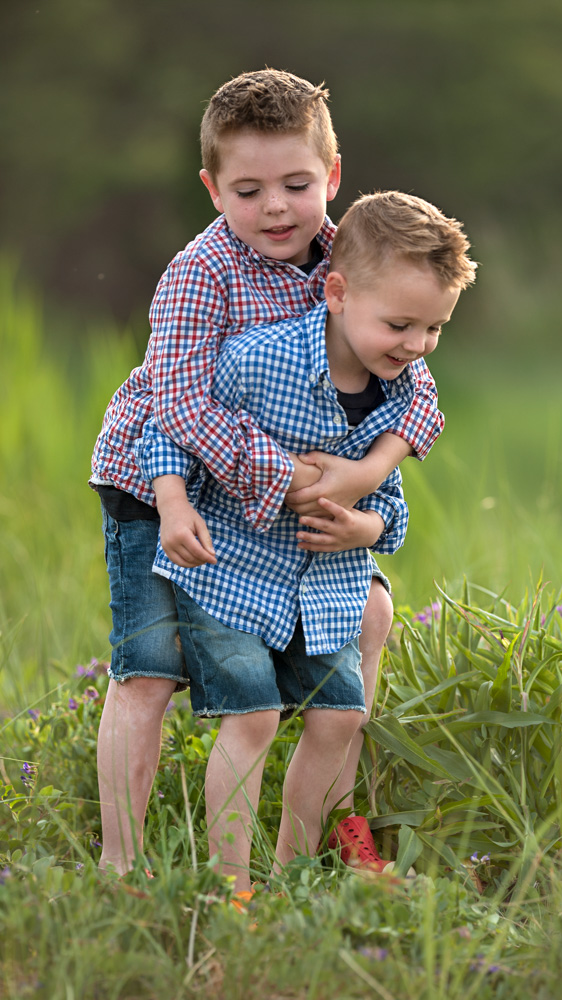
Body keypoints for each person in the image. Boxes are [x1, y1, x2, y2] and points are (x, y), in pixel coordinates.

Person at [90, 69, 445, 877]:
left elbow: (415, 387)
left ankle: (330, 838)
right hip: (159, 481)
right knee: (148, 668)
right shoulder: (200, 274)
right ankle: (121, 867)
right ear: (214, 189)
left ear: (334, 176)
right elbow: (177, 404)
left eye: (296, 183)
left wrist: (365, 478)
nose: (277, 208)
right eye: (249, 190)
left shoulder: (351, 256)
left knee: (370, 624)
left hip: (298, 492)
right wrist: (284, 476)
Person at [136, 190, 477, 891]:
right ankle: (231, 885)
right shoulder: (260, 361)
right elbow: (169, 427)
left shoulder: (402, 386)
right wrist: (172, 504)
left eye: (434, 329)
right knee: (253, 718)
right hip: (234, 575)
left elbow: (390, 505)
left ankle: (298, 869)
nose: (416, 346)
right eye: (400, 325)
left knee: (341, 717)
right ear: (337, 291)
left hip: (326, 585)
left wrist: (366, 524)